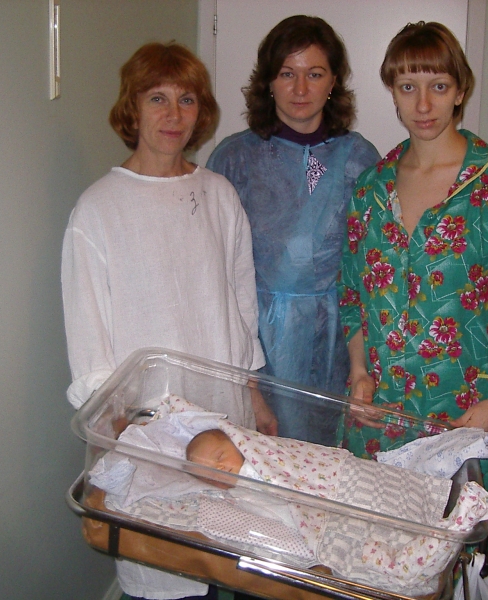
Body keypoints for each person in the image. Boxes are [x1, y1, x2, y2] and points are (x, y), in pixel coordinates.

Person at [337, 22, 488, 594]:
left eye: (438, 86)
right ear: (392, 91)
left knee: (466, 562)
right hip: (383, 418)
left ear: (461, 89)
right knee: (376, 555)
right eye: (407, 87)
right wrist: (358, 372)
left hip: (470, 417)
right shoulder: (370, 190)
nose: (423, 105)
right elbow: (353, 296)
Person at [62, 41, 276, 600]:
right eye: (157, 98)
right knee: (162, 569)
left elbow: (241, 304)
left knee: (225, 557)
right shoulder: (99, 209)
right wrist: (115, 426)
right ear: (131, 108)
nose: (173, 114)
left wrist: (254, 396)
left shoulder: (218, 194)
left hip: (222, 415)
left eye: (187, 99)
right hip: (147, 428)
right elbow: (88, 335)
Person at [207, 15, 380, 446]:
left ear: (333, 81)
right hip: (261, 345)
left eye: (314, 74)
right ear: (268, 81)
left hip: (341, 341)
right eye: (287, 74)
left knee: (329, 460)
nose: (301, 89)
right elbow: (216, 274)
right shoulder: (233, 160)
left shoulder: (361, 159)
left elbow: (373, 267)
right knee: (264, 458)